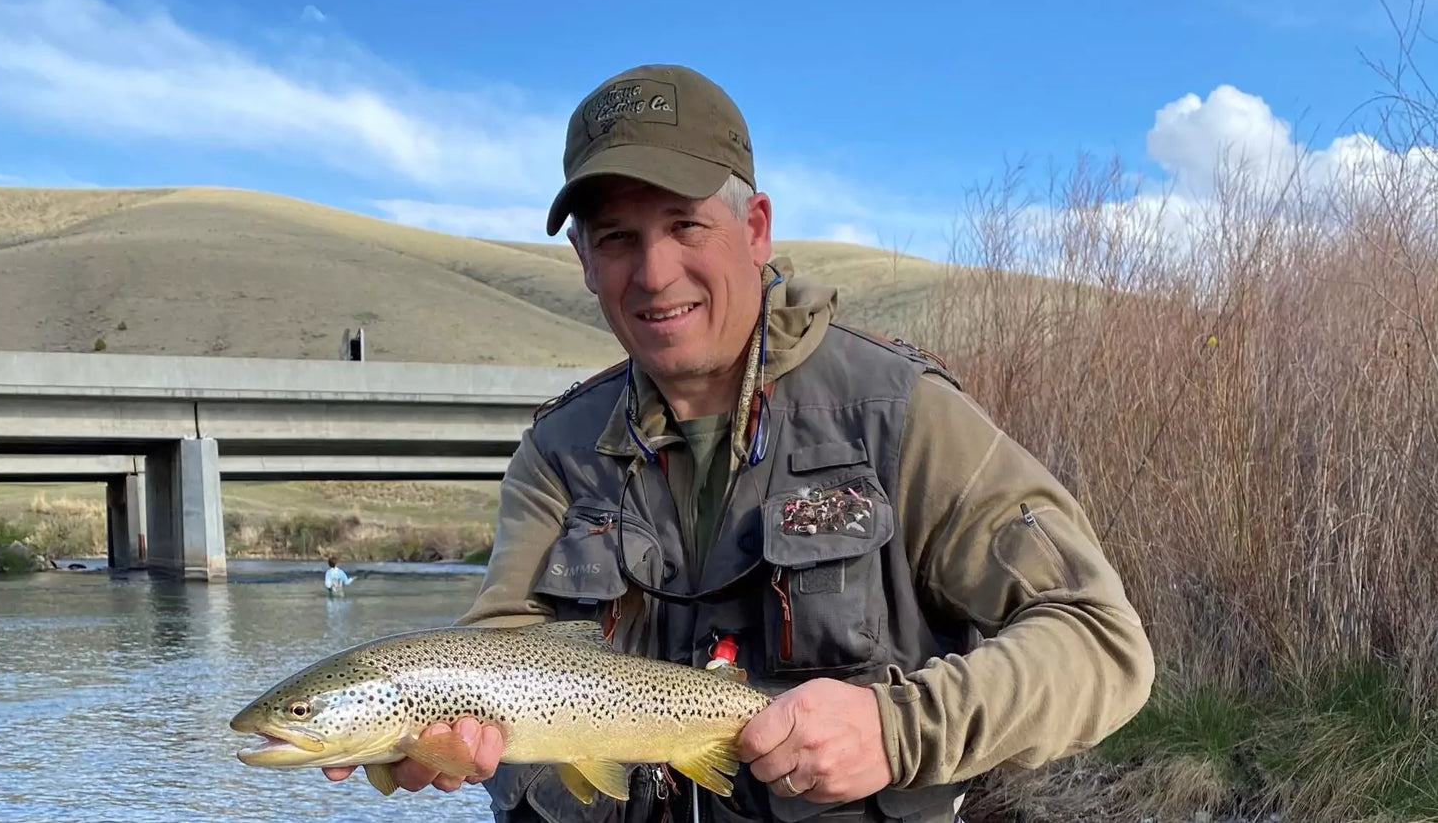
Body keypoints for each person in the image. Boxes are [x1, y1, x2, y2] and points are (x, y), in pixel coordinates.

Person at [323, 63, 1155, 822]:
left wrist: (895, 728)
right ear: (582, 258)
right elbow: (496, 655)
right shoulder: (556, 455)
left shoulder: (898, 414)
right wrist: (436, 748)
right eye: (617, 238)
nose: (653, 274)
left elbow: (1100, 641)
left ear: (754, 228)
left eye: (685, 225)